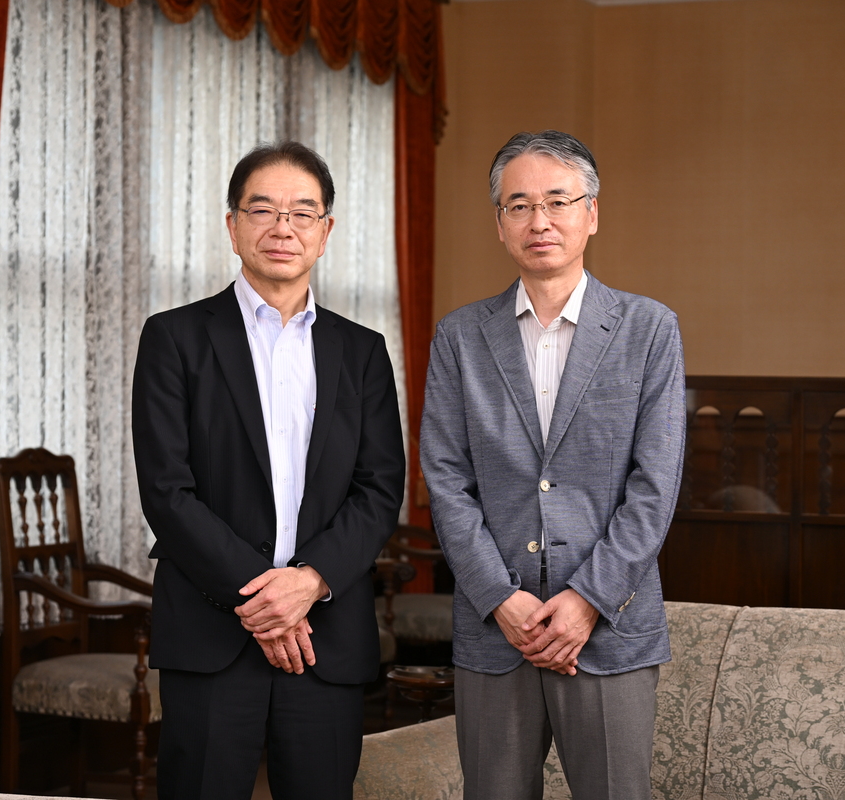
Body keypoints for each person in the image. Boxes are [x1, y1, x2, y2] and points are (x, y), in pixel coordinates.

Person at [132, 141, 406, 800]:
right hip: (211, 633)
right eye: (263, 210)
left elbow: (379, 489)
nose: (283, 228)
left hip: (326, 639)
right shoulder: (174, 338)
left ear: (325, 232)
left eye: (302, 213)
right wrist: (267, 601)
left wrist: (308, 583)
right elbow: (167, 491)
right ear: (233, 226)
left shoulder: (363, 352)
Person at [419, 130, 686, 800]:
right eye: (519, 205)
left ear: (591, 214)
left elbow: (654, 487)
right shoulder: (459, 336)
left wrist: (588, 600)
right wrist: (499, 598)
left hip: (609, 626)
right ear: (500, 224)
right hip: (495, 629)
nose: (539, 220)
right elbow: (445, 480)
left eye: (558, 202)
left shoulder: (649, 329)